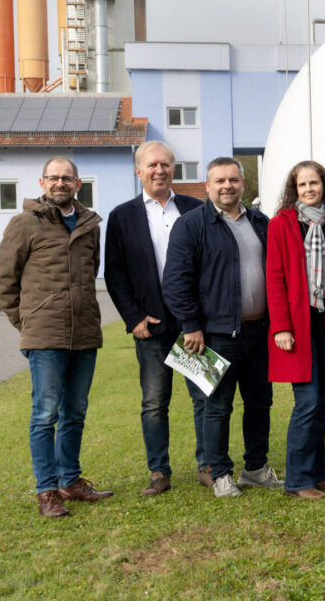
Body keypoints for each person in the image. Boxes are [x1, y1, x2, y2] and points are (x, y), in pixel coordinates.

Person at [0, 156, 112, 517]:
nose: (60, 183)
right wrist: (27, 323)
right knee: (45, 414)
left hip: (84, 333)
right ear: (42, 183)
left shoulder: (90, 225)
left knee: (75, 411)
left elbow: (91, 271)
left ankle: (70, 481)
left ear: (78, 184)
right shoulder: (24, 223)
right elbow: (5, 281)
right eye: (54, 177)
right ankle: (47, 491)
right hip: (44, 336)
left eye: (67, 178)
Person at [162, 157, 283, 498]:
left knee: (260, 403)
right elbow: (175, 282)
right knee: (217, 407)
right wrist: (191, 325)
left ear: (243, 183)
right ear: (207, 186)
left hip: (259, 332)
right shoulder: (191, 225)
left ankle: (256, 468)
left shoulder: (260, 222)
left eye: (233, 180)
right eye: (220, 181)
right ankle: (220, 474)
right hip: (214, 335)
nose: (227, 186)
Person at [104, 141, 208, 496]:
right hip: (151, 326)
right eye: (151, 165)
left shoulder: (195, 209)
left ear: (173, 169)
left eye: (165, 164)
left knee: (204, 396)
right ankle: (159, 471)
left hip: (193, 324)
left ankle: (208, 465)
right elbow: (115, 274)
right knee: (153, 403)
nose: (159, 170)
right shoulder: (122, 216)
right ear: (139, 171)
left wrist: (201, 318)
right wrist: (134, 318)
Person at [266, 161, 325, 499]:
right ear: (294, 189)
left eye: (314, 183)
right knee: (306, 403)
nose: (308, 189)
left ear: (324, 185)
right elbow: (274, 278)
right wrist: (281, 326)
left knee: (321, 404)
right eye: (302, 184)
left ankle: (319, 475)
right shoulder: (281, 223)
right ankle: (297, 480)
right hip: (297, 328)